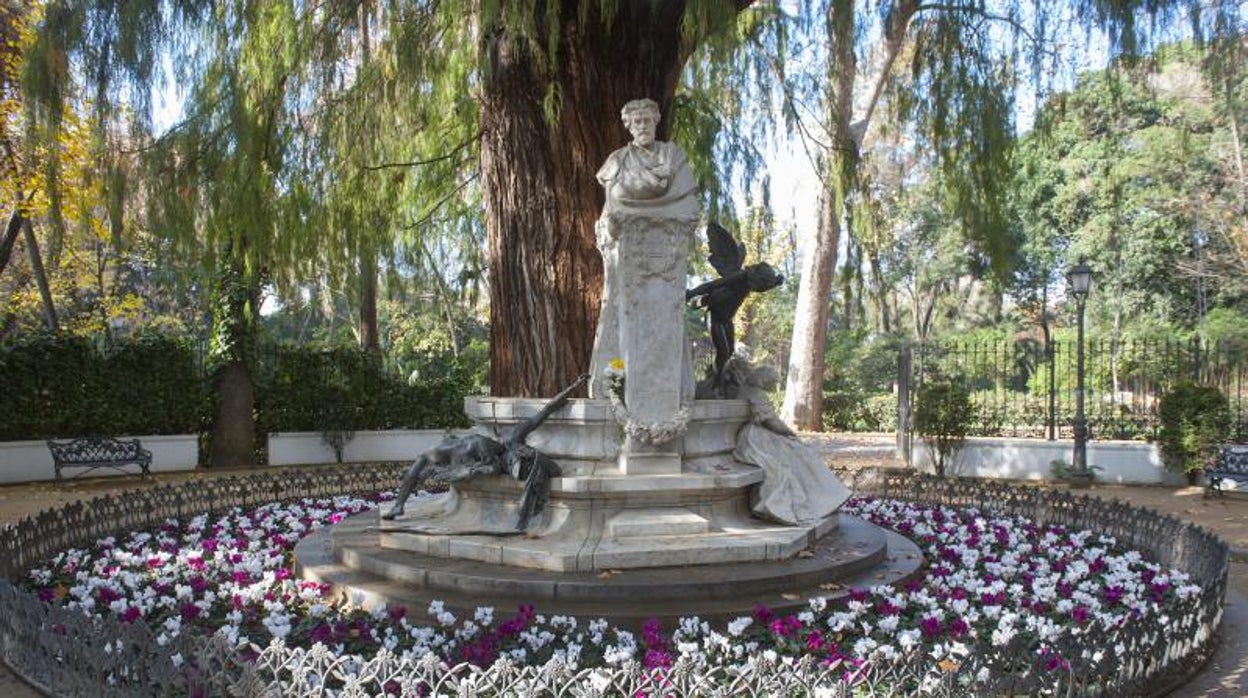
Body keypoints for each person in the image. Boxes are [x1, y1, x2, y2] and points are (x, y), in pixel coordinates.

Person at [382, 374, 589, 531]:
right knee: (424, 460)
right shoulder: (510, 439)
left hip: (456, 456)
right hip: (455, 451)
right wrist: (573, 387)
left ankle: (399, 505)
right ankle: (399, 505)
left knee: (424, 460)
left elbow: (546, 411)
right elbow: (544, 412)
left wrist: (573, 387)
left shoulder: (504, 451)